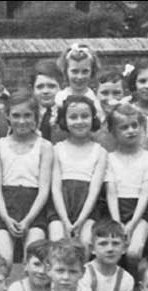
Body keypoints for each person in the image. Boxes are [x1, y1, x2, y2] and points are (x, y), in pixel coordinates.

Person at [0, 89, 53, 267]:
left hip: (34, 207)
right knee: (4, 261)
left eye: (27, 115)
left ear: (36, 117)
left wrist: (28, 220)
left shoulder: (45, 147)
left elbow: (44, 189)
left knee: (32, 259)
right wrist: (5, 218)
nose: (22, 121)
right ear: (8, 116)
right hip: (5, 206)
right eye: (16, 115)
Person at [48, 95, 107, 256]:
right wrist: (66, 221)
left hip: (87, 208)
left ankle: (83, 280)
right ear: (64, 120)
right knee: (57, 241)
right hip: (61, 208)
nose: (79, 121)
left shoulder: (100, 152)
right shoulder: (57, 149)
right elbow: (55, 188)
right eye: (73, 117)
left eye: (85, 116)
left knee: (86, 242)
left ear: (93, 118)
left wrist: (80, 220)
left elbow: (94, 190)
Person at [104, 104, 148, 277]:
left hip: (141, 212)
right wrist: (116, 222)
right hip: (115, 210)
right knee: (112, 251)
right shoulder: (109, 159)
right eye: (124, 127)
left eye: (135, 125)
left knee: (134, 252)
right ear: (113, 132)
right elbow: (111, 192)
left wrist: (133, 223)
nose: (131, 130)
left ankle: (137, 284)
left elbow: (146, 192)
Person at [78, 220, 134, 291]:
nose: (110, 249)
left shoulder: (126, 279)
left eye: (115, 243)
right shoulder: (84, 274)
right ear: (92, 248)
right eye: (103, 243)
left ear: (124, 248)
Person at [54, 43, 104, 122]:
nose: (80, 77)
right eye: (74, 71)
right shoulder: (59, 98)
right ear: (66, 71)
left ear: (92, 72)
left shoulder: (95, 100)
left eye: (85, 71)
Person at [31, 59, 67, 143]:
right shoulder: (28, 114)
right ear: (33, 89)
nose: (45, 91)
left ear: (61, 87)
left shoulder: (67, 112)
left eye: (51, 86)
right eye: (40, 87)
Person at [91, 68, 127, 152]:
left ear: (124, 93)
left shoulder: (130, 118)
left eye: (116, 93)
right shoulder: (90, 120)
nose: (110, 98)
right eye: (104, 93)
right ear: (96, 93)